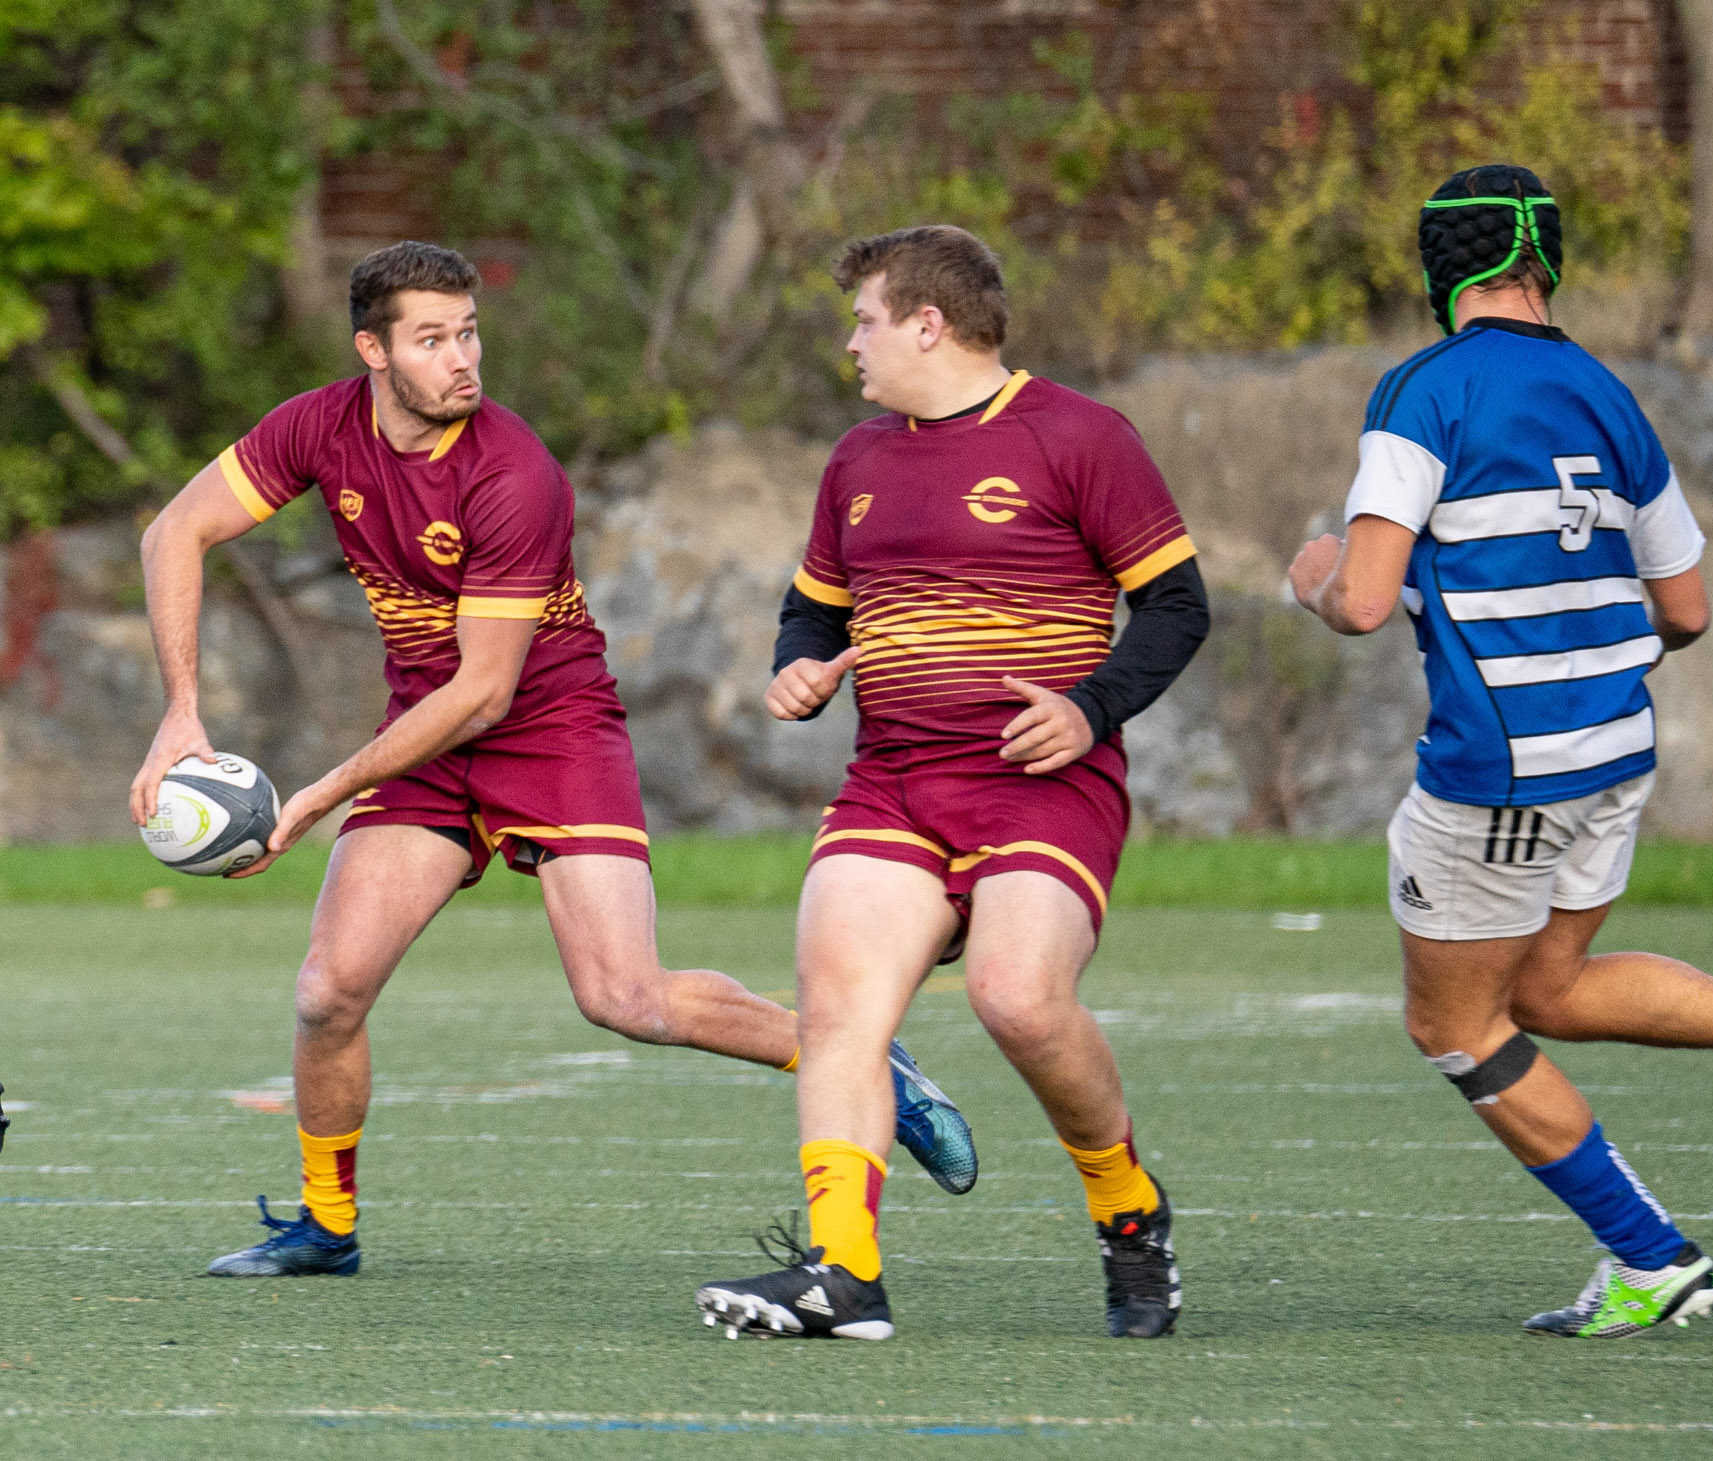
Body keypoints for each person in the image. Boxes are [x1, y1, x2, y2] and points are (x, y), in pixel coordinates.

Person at [130, 241, 976, 1280]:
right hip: (426, 738)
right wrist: (180, 712)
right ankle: (324, 1225)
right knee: (326, 994)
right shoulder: (319, 426)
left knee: (627, 998)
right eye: (432, 339)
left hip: (550, 728)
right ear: (372, 351)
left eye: (469, 333)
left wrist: (312, 799)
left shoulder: (513, 473)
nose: (461, 359)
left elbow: (485, 691)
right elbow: (175, 532)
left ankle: (851, 1056)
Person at [1286, 166, 1713, 1338]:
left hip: (1499, 770)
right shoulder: (1607, 393)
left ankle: (1652, 1259)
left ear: (1441, 272)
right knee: (1543, 990)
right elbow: (1685, 609)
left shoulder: (1422, 391)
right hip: (1613, 749)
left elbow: (1360, 598)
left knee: (1453, 1025)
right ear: (1548, 262)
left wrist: (1315, 577)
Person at [693, 225, 1209, 1341]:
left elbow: (1176, 608)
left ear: (927, 323)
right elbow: (812, 608)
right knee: (837, 1006)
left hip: (1037, 786)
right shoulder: (858, 460)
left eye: (863, 321)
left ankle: (1127, 1212)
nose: (850, 346)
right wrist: (798, 667)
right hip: (893, 782)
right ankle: (843, 1272)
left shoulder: (1079, 436)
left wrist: (1088, 708)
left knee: (1017, 999)